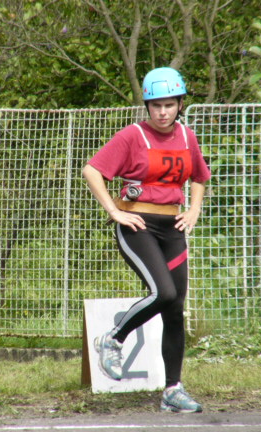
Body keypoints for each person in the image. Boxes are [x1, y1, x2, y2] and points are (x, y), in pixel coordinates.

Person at [82, 67, 211, 413]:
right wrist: (114, 210)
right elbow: (92, 170)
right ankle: (112, 338)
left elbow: (199, 176)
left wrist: (194, 211)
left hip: (173, 227)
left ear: (180, 104)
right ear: (147, 106)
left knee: (175, 309)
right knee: (163, 293)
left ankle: (173, 390)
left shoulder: (187, 137)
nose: (163, 112)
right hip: (137, 226)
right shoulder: (132, 135)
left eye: (169, 104)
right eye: (156, 105)